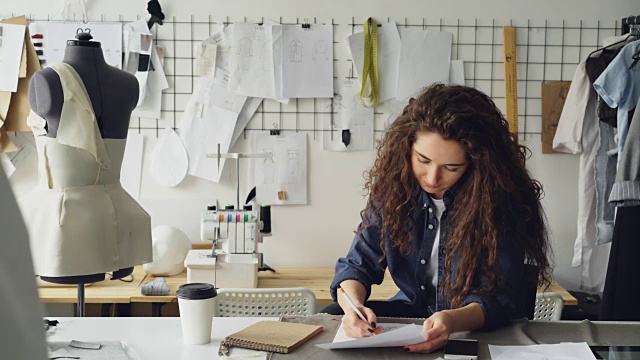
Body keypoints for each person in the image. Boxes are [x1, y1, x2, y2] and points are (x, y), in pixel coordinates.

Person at [325, 84, 552, 353]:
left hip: (473, 323)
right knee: (332, 312)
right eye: (423, 160)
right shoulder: (394, 190)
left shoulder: (501, 201)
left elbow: (502, 298)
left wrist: (451, 320)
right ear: (406, 148)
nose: (432, 178)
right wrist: (353, 306)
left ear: (477, 163)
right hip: (414, 315)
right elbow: (357, 265)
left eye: (451, 167)